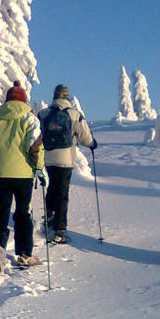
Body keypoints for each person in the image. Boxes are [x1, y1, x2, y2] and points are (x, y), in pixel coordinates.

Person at [0, 81, 45, 275]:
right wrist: (39, 168)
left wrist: (0, 152)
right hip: (23, 175)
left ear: (7, 99)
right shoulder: (30, 119)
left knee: (0, 213)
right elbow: (35, 146)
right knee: (23, 213)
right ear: (24, 100)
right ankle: (24, 253)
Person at [38, 84, 97, 244]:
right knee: (62, 192)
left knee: (53, 186)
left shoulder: (44, 114)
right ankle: (59, 230)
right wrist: (92, 144)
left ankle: (49, 217)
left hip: (49, 158)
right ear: (67, 97)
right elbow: (85, 137)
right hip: (66, 159)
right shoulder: (74, 114)